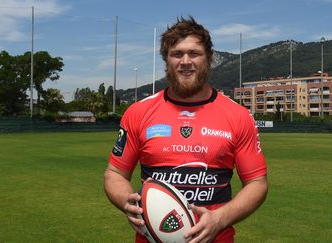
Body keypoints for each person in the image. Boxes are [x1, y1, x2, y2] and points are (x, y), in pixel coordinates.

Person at [104, 16, 268, 243]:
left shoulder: (238, 116)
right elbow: (114, 174)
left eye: (194, 53)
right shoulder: (138, 112)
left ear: (209, 59)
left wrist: (219, 219)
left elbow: (257, 183)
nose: (185, 61)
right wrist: (127, 202)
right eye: (177, 54)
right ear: (167, 60)